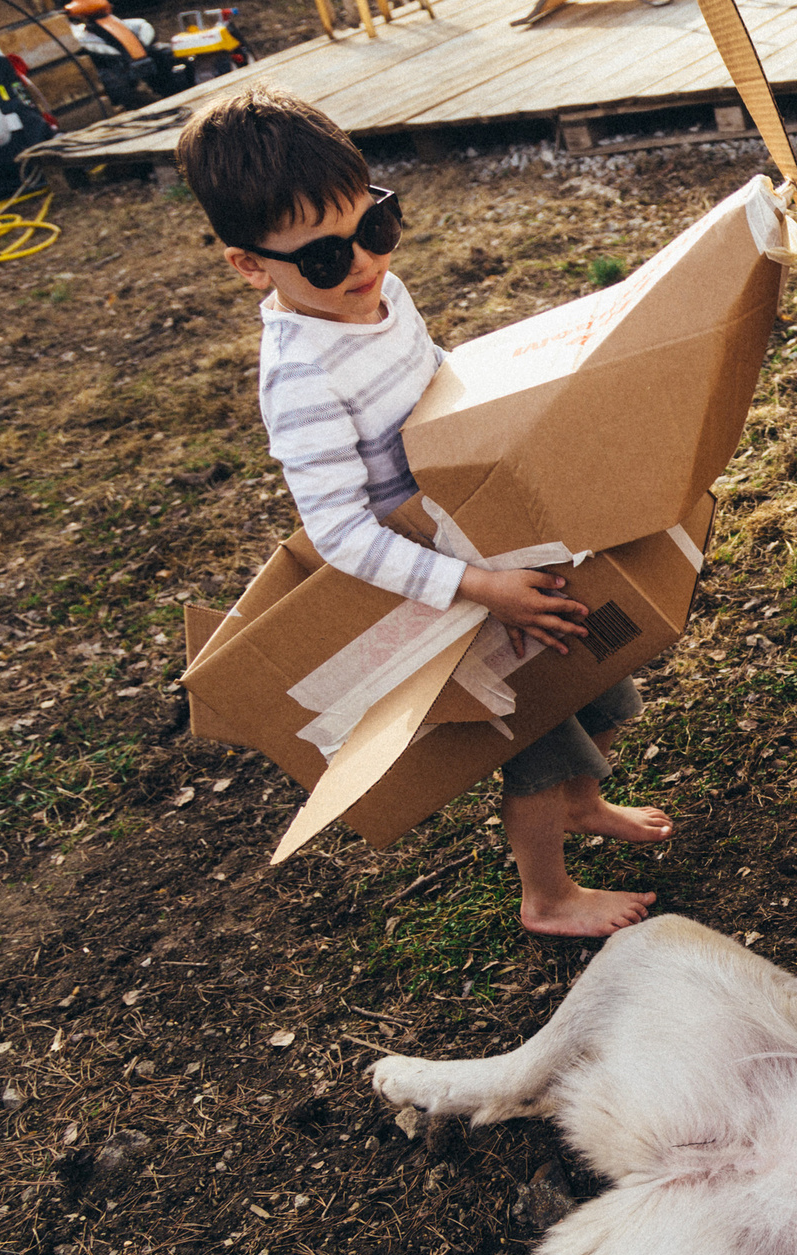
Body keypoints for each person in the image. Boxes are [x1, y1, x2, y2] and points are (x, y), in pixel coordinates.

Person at [177, 87, 674, 937]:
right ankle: (548, 895)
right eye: (325, 258)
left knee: (587, 678)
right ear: (252, 266)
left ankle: (585, 803)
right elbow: (340, 533)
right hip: (436, 588)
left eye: (376, 225)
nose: (364, 263)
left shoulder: (379, 291)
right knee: (532, 735)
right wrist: (478, 588)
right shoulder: (302, 376)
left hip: (486, 532)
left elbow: (433, 376)